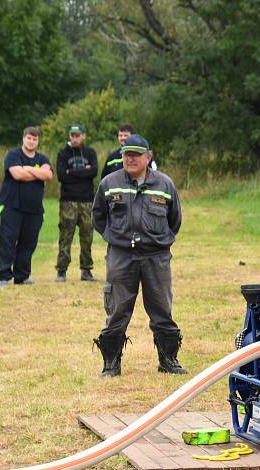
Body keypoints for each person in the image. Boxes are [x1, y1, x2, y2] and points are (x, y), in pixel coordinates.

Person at [91, 134, 186, 377]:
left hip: (156, 257)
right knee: (117, 310)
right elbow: (98, 217)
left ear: (148, 157)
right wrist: (116, 238)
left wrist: (159, 240)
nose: (130, 158)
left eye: (136, 154)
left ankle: (168, 360)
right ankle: (111, 364)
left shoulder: (164, 185)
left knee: (162, 309)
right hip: (121, 257)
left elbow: (174, 220)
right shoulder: (109, 183)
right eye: (126, 154)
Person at [0, 126, 53, 286]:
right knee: (8, 240)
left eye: (35, 139)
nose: (31, 141)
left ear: (38, 141)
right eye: (29, 138)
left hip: (34, 209)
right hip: (11, 206)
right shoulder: (13, 155)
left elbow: (48, 175)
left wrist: (27, 169)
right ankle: (4, 276)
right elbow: (17, 174)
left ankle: (22, 276)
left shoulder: (42, 158)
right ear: (23, 138)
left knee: (28, 243)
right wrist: (36, 172)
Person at [55, 123, 98, 282]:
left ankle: (86, 270)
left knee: (87, 235)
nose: (74, 138)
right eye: (72, 135)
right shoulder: (62, 153)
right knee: (66, 234)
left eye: (77, 135)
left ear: (83, 136)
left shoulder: (90, 152)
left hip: (87, 200)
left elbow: (93, 172)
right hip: (68, 200)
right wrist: (83, 172)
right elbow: (61, 175)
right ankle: (62, 270)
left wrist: (71, 172)